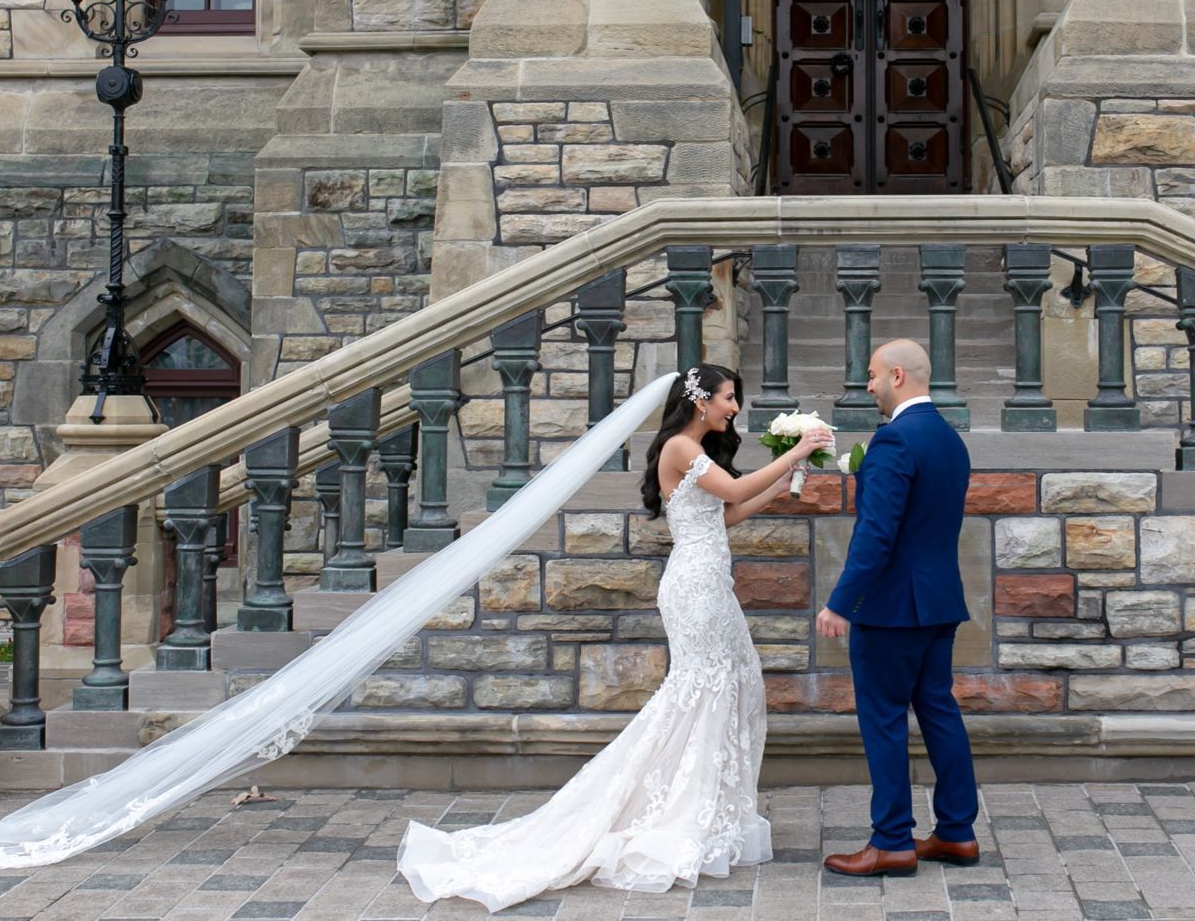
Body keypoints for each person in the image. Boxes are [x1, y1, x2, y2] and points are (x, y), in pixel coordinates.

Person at [397, 364, 833, 910]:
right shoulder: (678, 446)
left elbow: (729, 512)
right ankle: (667, 812)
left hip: (711, 582)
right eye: (728, 398)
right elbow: (737, 485)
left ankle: (710, 809)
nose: (734, 409)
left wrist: (787, 486)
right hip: (693, 588)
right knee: (700, 690)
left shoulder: (697, 450)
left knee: (734, 685)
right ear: (701, 402)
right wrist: (796, 450)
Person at [818, 338, 982, 878]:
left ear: (896, 376)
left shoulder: (893, 442)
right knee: (938, 710)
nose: (866, 387)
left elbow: (877, 532)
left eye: (869, 376)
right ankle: (957, 832)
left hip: (890, 608)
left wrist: (842, 601)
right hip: (939, 601)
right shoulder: (949, 439)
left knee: (885, 719)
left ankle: (892, 840)